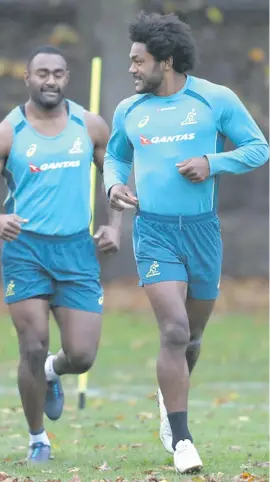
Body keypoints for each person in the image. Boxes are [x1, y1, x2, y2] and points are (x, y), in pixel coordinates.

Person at [103, 12, 268, 474]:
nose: (132, 68)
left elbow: (258, 148)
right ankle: (182, 440)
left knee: (192, 337)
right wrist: (113, 187)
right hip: (154, 231)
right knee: (173, 330)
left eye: (138, 61)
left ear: (166, 60)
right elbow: (115, 156)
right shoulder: (128, 110)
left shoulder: (215, 99)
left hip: (202, 232)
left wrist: (211, 163)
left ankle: (167, 396)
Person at [0, 45, 122, 463]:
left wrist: (114, 225)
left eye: (57, 73)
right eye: (42, 73)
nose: (50, 80)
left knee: (82, 355)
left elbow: (117, 177)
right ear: (27, 78)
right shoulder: (6, 133)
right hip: (26, 251)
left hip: (76, 249)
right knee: (33, 346)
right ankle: (38, 437)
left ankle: (55, 372)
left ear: (67, 78)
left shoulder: (90, 126)